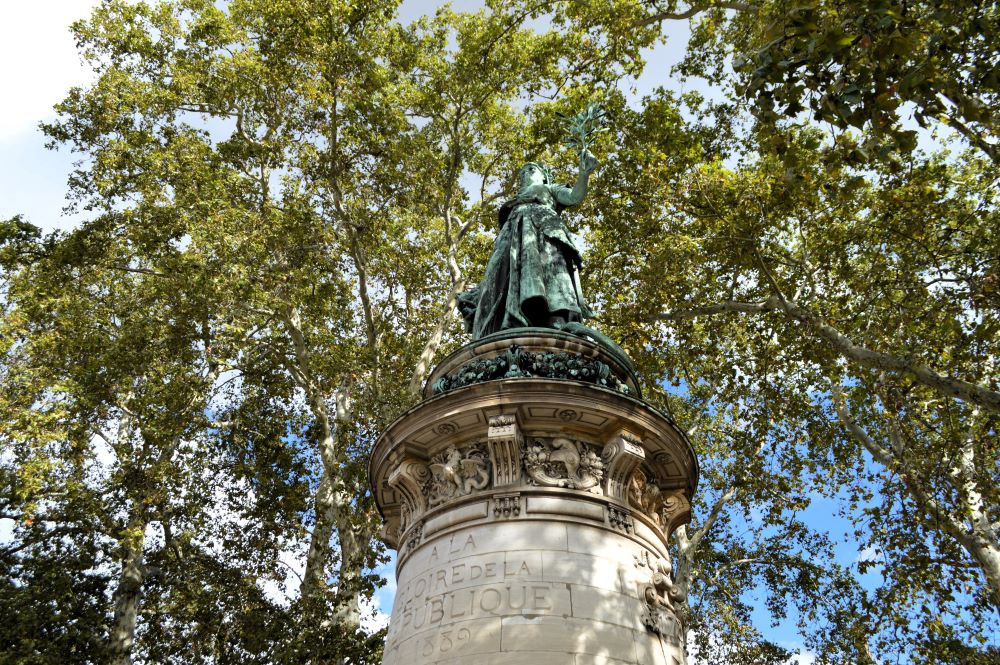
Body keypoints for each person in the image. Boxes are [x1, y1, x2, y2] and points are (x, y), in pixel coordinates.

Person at [458, 151, 598, 339]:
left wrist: (584, 173)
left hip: (542, 231)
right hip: (511, 234)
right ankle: (498, 322)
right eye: (522, 172)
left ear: (544, 177)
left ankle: (552, 318)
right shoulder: (515, 202)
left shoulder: (550, 189)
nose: (525, 173)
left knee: (549, 275)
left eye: (531, 169)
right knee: (497, 275)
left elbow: (574, 197)